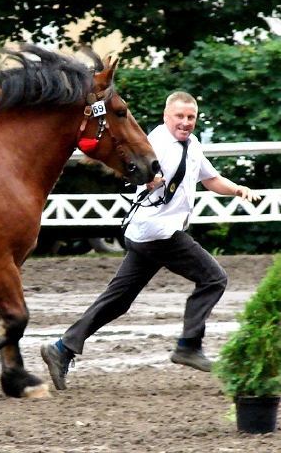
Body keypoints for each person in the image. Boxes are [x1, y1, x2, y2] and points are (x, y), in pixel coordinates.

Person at [40, 91, 260, 391]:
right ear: (166, 116)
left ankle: (62, 348)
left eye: (190, 117)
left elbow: (209, 178)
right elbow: (129, 165)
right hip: (160, 233)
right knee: (213, 279)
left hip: (147, 233)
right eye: (179, 117)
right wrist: (145, 179)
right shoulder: (154, 142)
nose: (185, 122)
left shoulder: (191, 144)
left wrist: (237, 189)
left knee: (118, 300)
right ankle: (188, 346)